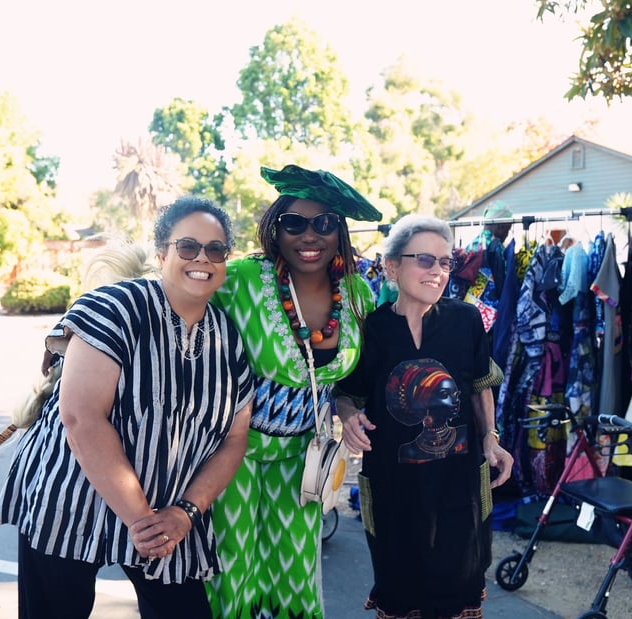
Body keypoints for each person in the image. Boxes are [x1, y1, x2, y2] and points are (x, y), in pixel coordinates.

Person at [0, 196, 255, 619]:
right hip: (72, 501)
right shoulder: (113, 308)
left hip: (168, 513)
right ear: (162, 253)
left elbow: (234, 438)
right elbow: (81, 418)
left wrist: (185, 513)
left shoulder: (228, 338)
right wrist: (142, 521)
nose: (202, 258)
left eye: (215, 249)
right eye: (188, 246)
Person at [205, 164, 382, 619]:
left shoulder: (358, 294)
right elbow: (170, 302)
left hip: (305, 453)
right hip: (233, 451)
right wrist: (81, 331)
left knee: (295, 566)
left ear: (339, 231)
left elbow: (350, 381)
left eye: (324, 223)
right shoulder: (241, 280)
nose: (310, 235)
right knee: (231, 564)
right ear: (275, 228)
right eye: (294, 223)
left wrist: (347, 409)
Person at [333, 214, 513, 619]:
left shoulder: (466, 320)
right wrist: (348, 416)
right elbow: (347, 393)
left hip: (459, 485)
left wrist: (491, 437)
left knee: (458, 586)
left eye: (446, 262)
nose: (438, 271)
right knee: (400, 588)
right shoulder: (370, 330)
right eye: (426, 260)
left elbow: (479, 383)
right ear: (392, 267)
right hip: (394, 486)